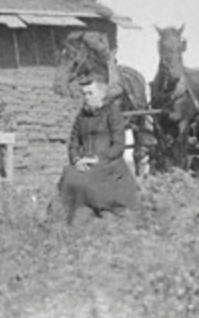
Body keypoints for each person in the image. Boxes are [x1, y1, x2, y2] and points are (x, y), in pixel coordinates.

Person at [57, 72, 139, 224]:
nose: (86, 97)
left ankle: (98, 212)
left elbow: (118, 145)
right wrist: (76, 160)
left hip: (108, 164)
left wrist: (97, 159)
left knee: (87, 180)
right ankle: (67, 216)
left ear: (101, 94)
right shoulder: (81, 116)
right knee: (69, 173)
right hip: (84, 163)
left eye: (90, 93)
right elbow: (73, 143)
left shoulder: (112, 112)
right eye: (84, 94)